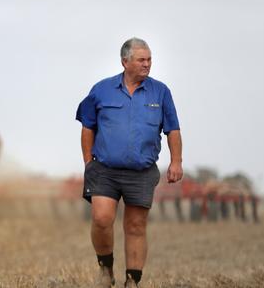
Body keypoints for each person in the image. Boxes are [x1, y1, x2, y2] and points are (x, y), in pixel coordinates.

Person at [75, 38, 183, 288]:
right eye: (141, 60)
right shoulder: (101, 90)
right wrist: (88, 162)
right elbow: (87, 126)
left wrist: (176, 161)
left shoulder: (161, 92)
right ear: (125, 62)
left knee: (135, 225)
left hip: (142, 171)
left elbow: (173, 130)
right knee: (102, 219)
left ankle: (132, 281)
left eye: (149, 60)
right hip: (104, 169)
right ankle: (106, 268)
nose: (147, 65)